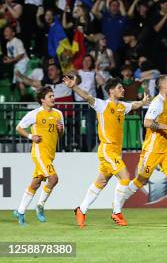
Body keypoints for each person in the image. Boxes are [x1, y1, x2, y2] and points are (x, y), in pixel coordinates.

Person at [68, 76, 150, 227]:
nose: (123, 89)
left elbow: (134, 105)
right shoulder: (102, 105)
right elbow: (87, 96)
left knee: (101, 182)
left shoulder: (122, 106)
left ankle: (81, 209)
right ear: (111, 91)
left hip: (115, 152)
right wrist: (74, 87)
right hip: (107, 149)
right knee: (125, 177)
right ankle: (117, 212)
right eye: (120, 88)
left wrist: (144, 102)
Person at [119, 75, 167, 227]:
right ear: (163, 86)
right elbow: (147, 122)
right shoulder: (157, 102)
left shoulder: (166, 102)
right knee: (141, 180)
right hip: (153, 148)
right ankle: (117, 206)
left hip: (165, 147)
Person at [13, 87, 64, 225]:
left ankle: (20, 211)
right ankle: (40, 205)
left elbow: (60, 134)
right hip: (39, 153)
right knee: (54, 178)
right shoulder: (35, 114)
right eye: (50, 96)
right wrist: (31, 136)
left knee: (35, 184)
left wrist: (61, 130)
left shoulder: (59, 114)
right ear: (43, 100)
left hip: (50, 154)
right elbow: (19, 127)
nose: (53, 98)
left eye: (53, 95)